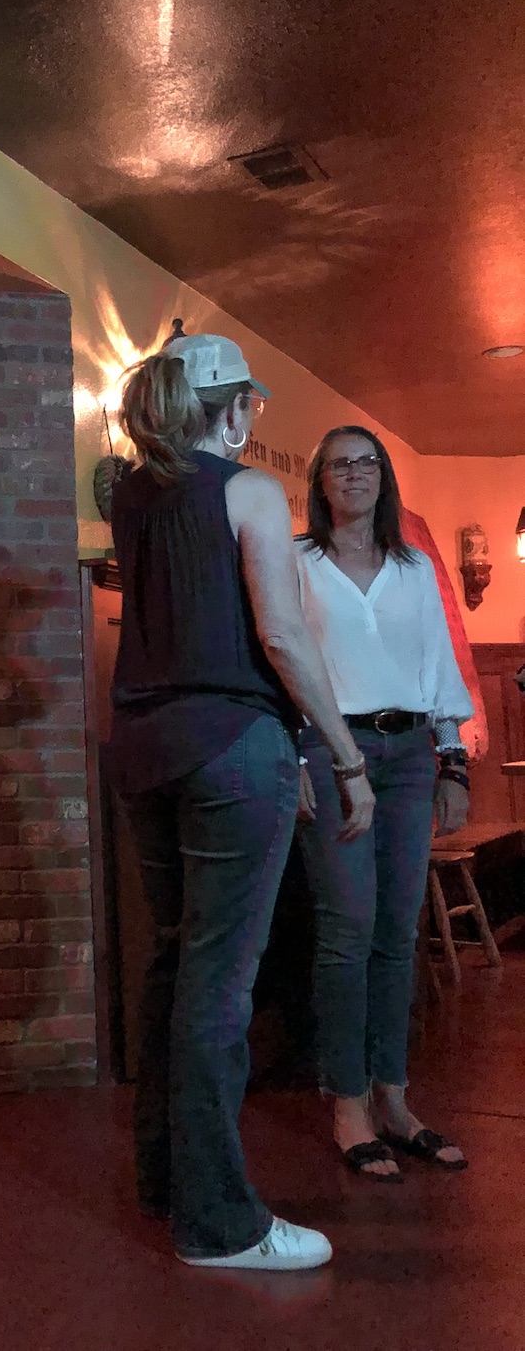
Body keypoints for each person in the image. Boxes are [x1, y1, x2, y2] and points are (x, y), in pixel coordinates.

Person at [108, 332, 375, 1272]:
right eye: (249, 404)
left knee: (175, 965)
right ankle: (220, 1221)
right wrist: (344, 757)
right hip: (229, 744)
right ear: (229, 408)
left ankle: (167, 1179)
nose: (252, 416)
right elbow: (283, 636)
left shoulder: (128, 494)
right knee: (219, 985)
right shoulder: (249, 489)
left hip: (143, 747)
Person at [296, 426, 472, 1177]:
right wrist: (292, 754)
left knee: (399, 932)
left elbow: (437, 666)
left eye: (367, 462)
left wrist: (453, 763)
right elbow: (277, 659)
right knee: (348, 928)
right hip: (331, 749)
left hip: (408, 755)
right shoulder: (298, 564)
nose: (355, 473)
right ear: (320, 481)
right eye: (339, 464)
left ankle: (394, 1098)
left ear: (384, 477)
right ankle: (347, 1103)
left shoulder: (413, 566)